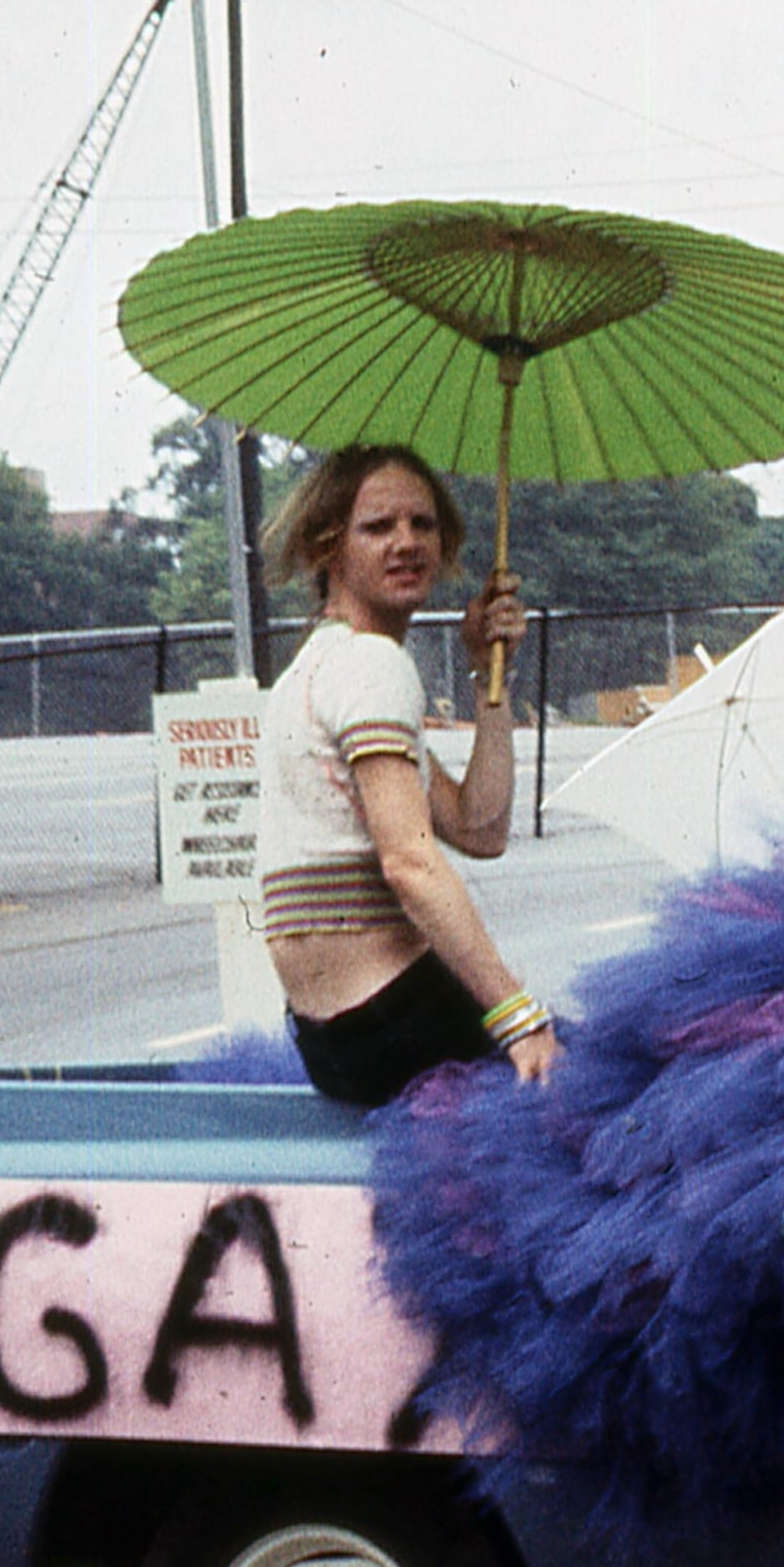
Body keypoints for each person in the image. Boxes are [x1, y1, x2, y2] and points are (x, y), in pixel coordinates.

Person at [255, 444, 557, 1105]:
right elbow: (410, 865)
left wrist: (488, 675)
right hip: (399, 1019)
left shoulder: (313, 669)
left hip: (332, 1043)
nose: (407, 543)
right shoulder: (371, 666)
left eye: (424, 525)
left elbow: (479, 829)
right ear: (325, 548)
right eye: (378, 527)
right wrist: (518, 1018)